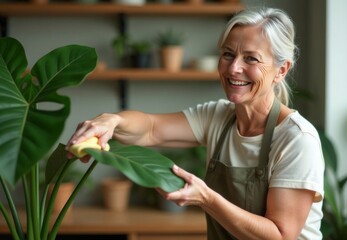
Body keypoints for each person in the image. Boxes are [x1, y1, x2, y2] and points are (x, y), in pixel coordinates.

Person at [67, 7, 324, 240]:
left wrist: (207, 199)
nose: (233, 68)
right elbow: (151, 128)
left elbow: (280, 235)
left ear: (281, 70)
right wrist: (113, 120)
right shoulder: (218, 118)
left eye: (251, 59)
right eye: (228, 54)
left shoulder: (297, 139)